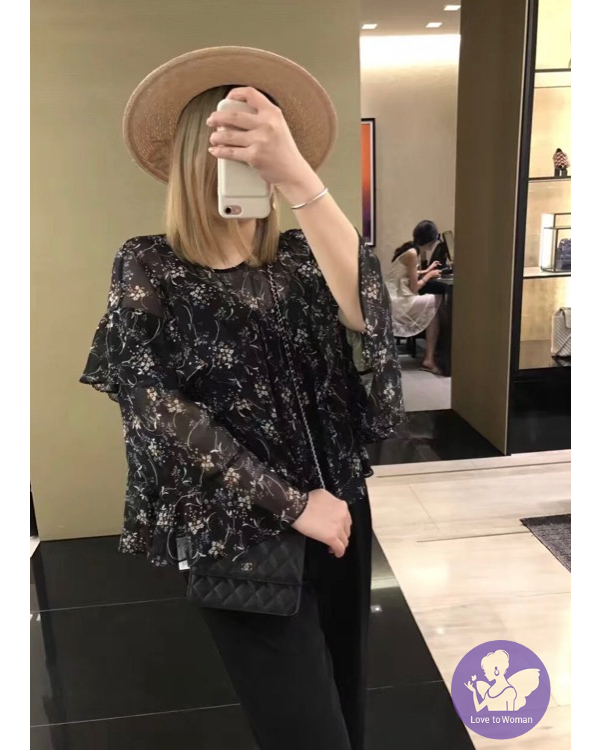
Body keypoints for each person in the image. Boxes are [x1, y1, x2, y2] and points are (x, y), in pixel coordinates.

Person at [80, 47, 404, 750]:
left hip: (341, 514)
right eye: (233, 144)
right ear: (199, 157)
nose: (252, 164)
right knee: (308, 733)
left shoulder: (303, 257)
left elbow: (372, 317)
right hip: (242, 529)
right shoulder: (149, 264)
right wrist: (293, 505)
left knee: (347, 708)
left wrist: (301, 178)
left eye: (265, 145)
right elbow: (158, 408)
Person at [387, 244, 443, 375]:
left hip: (394, 297)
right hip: (397, 301)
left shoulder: (410, 250)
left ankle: (430, 356)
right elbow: (415, 288)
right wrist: (429, 275)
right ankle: (429, 358)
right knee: (434, 301)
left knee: (432, 304)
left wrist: (427, 270)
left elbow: (409, 272)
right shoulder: (412, 253)